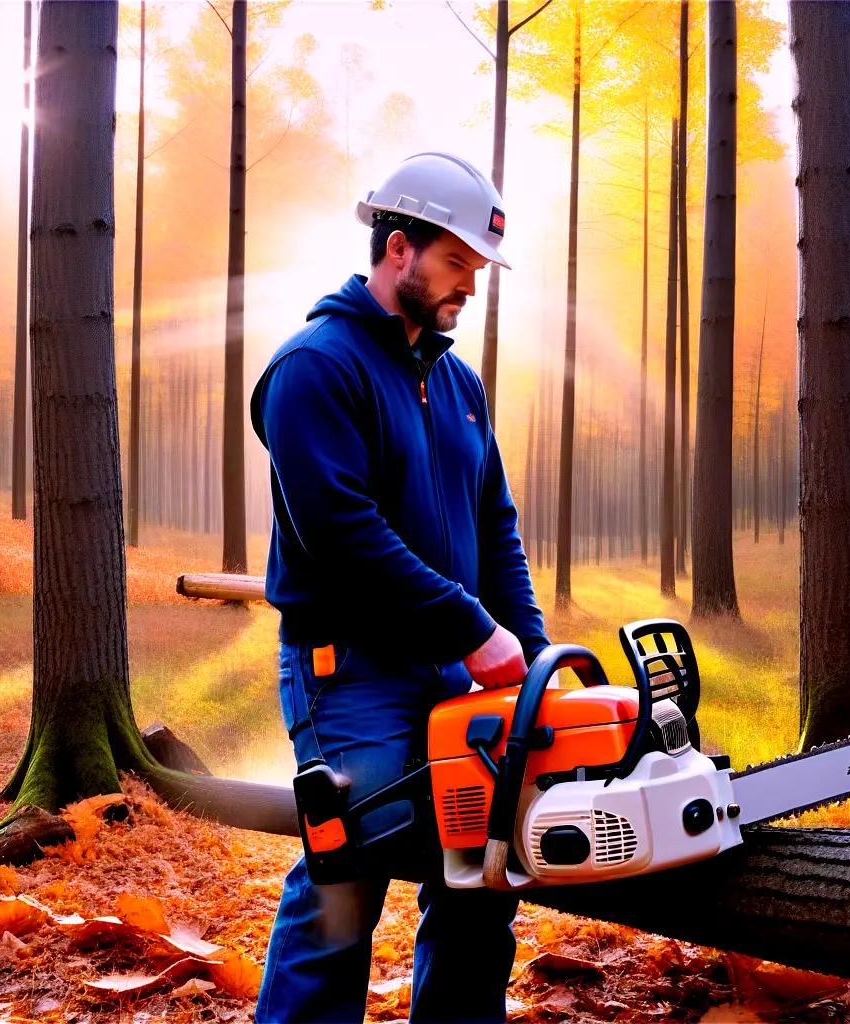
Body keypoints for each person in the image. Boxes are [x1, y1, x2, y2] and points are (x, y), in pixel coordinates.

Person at [250, 151, 550, 1024]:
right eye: (456, 263)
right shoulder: (315, 367)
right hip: (352, 675)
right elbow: (342, 536)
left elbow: (495, 527)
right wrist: (468, 626)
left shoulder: (457, 384)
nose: (470, 286)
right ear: (396, 248)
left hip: (453, 675)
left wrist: (527, 654)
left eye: (478, 269)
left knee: (482, 870)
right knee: (347, 877)